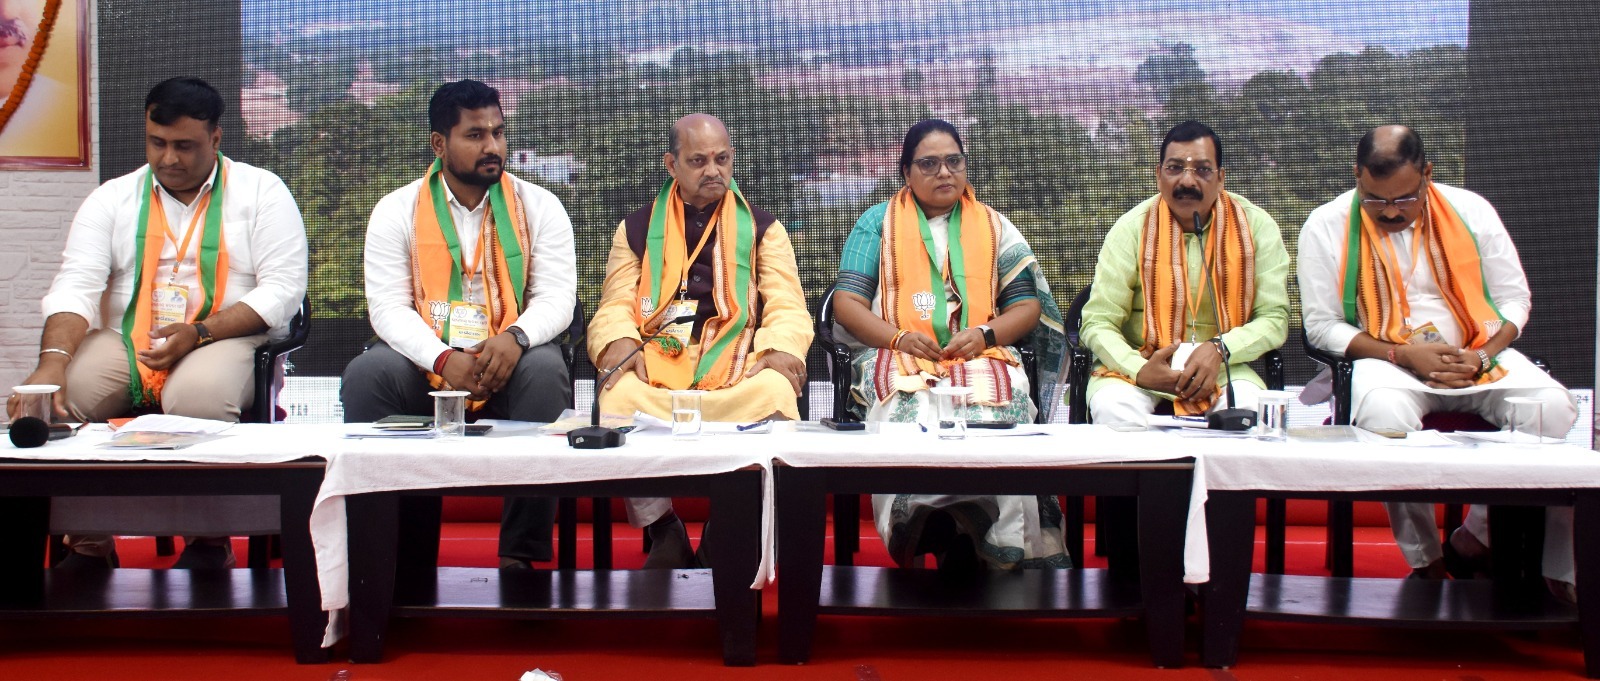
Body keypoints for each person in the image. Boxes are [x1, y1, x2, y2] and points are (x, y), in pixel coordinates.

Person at [9, 77, 308, 569]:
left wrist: (199, 332)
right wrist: (53, 362)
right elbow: (75, 286)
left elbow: (283, 291)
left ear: (216, 138)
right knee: (71, 393)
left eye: (184, 146)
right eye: (157, 143)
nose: (168, 158)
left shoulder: (262, 192)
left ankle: (208, 542)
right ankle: (87, 544)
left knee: (197, 399)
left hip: (224, 336)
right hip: (129, 340)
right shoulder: (113, 198)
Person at [1299, 125, 1577, 596]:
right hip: (1388, 358)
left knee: (1552, 407)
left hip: (1478, 356)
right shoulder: (1326, 224)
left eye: (1404, 199)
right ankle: (1426, 560)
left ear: (1427, 174)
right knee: (1382, 415)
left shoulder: (1472, 210)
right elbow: (1322, 326)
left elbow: (1514, 299)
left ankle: (1484, 541)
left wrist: (1482, 354)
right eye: (1375, 199)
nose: (1390, 211)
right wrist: (1403, 353)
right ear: (1357, 176)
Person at [340, 80, 576, 570]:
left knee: (545, 370)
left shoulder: (539, 206)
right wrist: (443, 358)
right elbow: (388, 308)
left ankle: (521, 557)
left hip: (510, 362)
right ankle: (395, 559)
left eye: (498, 132)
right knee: (369, 374)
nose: (492, 147)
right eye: (475, 135)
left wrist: (515, 338)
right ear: (439, 144)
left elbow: (558, 298)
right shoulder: (396, 209)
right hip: (424, 367)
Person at [832, 119, 1069, 573]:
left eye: (953, 161)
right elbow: (846, 304)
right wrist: (898, 337)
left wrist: (985, 334)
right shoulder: (876, 222)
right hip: (899, 351)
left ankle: (992, 534)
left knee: (999, 400)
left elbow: (1026, 307)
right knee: (907, 402)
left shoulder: (993, 225)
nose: (944, 172)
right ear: (906, 173)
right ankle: (929, 522)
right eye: (929, 164)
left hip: (979, 352)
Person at [589, 113, 811, 568]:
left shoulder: (764, 228)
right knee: (619, 393)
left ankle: (727, 527)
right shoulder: (636, 228)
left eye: (722, 159)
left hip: (737, 358)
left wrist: (778, 349)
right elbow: (615, 302)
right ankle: (662, 526)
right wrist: (618, 341)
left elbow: (787, 302)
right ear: (671, 165)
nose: (713, 170)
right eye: (698, 161)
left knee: (775, 391)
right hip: (660, 356)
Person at [1081, 120, 1289, 427]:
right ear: (1159, 175)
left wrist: (1219, 349)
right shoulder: (1131, 229)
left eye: (1202, 170)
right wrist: (1138, 368)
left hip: (1223, 366)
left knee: (1248, 411)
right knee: (1115, 410)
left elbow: (1274, 317)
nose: (1187, 181)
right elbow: (1098, 321)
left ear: (1221, 178)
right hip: (1140, 364)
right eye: (1175, 168)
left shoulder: (1256, 228)